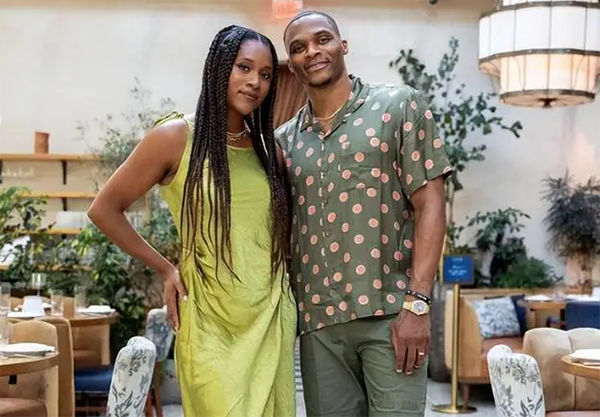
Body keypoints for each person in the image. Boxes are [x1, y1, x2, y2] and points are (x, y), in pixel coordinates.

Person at [87, 25, 297, 417]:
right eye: (244, 67)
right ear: (219, 68)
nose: (255, 82)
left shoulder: (270, 152)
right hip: (209, 320)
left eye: (266, 74)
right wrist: (165, 268)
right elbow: (104, 209)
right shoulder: (176, 137)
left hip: (269, 315)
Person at [276, 10, 453, 417]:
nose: (312, 51)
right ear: (292, 63)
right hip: (319, 325)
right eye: (299, 48)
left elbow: (430, 204)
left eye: (322, 39)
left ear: (343, 46)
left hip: (391, 314)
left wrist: (418, 304)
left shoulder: (398, 107)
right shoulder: (284, 142)